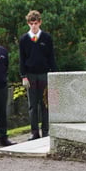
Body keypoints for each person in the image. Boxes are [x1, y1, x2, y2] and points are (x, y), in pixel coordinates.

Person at [18, 10, 57, 140]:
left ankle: (46, 131)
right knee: (32, 105)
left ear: (40, 22)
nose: (34, 26)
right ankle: (34, 132)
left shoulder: (47, 38)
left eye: (36, 23)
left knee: (45, 104)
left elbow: (51, 57)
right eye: (31, 23)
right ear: (28, 23)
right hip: (31, 75)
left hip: (44, 74)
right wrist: (23, 75)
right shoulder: (24, 40)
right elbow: (22, 59)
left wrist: (54, 74)